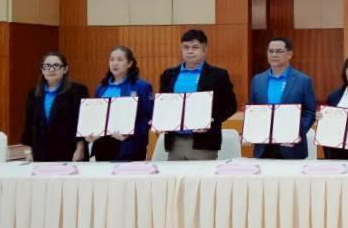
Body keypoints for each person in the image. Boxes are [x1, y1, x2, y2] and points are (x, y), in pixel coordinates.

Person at [158, 29, 238, 160]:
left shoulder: (218, 75)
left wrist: (212, 120)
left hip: (204, 143)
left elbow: (230, 106)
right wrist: (160, 120)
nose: (190, 51)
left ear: (204, 50)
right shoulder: (168, 74)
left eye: (195, 47)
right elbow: (163, 103)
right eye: (186, 47)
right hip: (175, 141)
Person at [248, 37, 316, 159]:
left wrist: (295, 131)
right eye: (271, 51)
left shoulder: (303, 80)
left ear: (289, 54)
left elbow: (310, 112)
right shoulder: (257, 80)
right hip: (263, 146)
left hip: (291, 146)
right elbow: (252, 110)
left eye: (279, 51)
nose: (274, 54)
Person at [89, 46, 154, 161]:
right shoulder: (101, 87)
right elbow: (95, 115)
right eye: (112, 59)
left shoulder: (141, 86)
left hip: (129, 145)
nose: (115, 63)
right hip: (103, 145)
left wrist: (131, 132)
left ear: (129, 63)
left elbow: (149, 118)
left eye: (119, 60)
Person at [21, 52, 89, 162]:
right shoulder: (33, 93)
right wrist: (28, 152)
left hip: (70, 152)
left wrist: (80, 149)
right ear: (42, 70)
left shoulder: (77, 90)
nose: (51, 69)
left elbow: (83, 122)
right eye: (47, 66)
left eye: (56, 65)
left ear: (65, 69)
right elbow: (29, 124)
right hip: (41, 153)